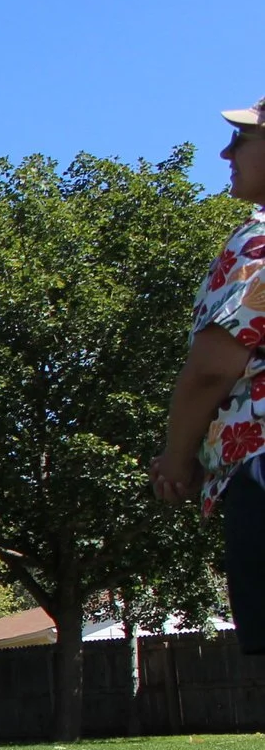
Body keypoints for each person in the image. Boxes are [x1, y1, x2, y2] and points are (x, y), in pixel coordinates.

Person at [151, 97, 265, 657]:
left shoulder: (259, 240)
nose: (227, 151)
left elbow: (214, 367)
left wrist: (177, 456)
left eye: (242, 139)